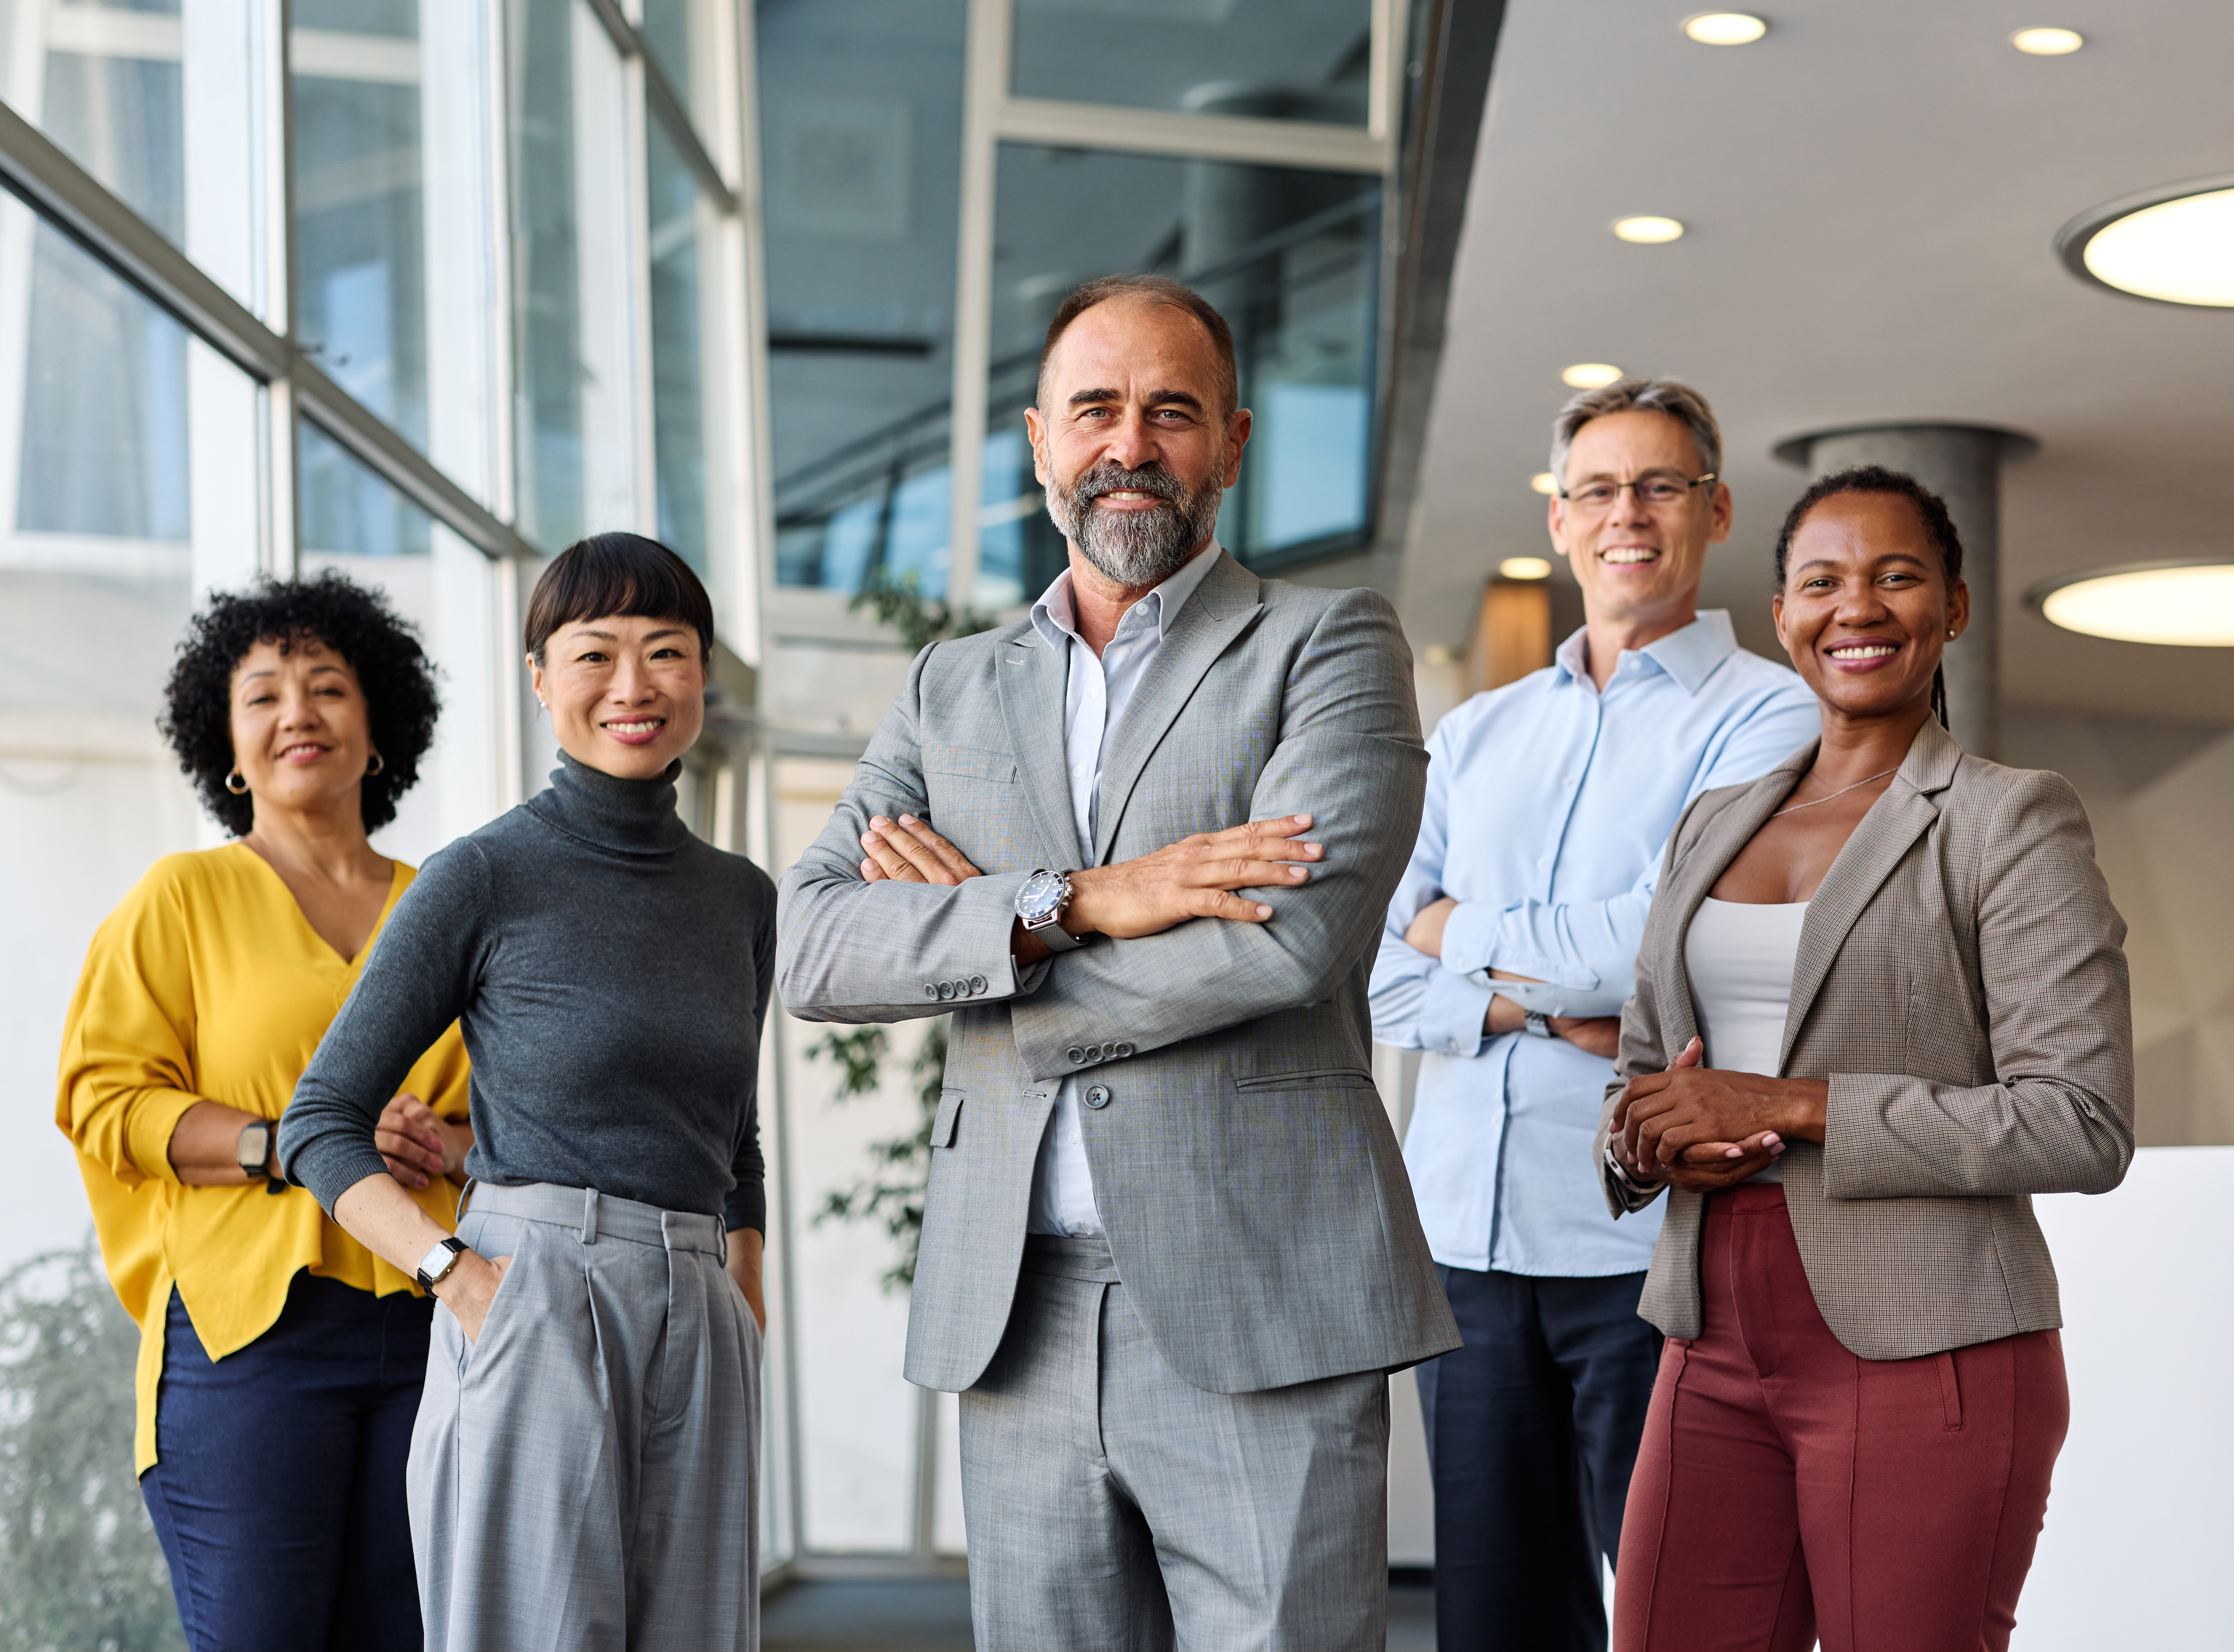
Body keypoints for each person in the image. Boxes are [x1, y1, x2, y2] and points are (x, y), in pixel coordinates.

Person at [778, 273, 1458, 1650]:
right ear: (1039, 441)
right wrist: (1081, 902)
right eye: (1097, 409)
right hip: (1015, 1307)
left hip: (1264, 1295)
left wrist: (989, 973)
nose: (1130, 444)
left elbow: (1291, 944)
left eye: (1172, 412)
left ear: (1236, 443)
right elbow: (813, 946)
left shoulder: (1327, 645)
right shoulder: (947, 687)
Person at [1600, 466, 2133, 1652]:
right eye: (1821, 581)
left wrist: (1790, 1104)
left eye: (1897, 577)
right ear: (1784, 612)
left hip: (1925, 1349)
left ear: (1950, 607)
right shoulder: (1713, 819)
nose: (1858, 608)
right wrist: (1643, 1142)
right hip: (1707, 1341)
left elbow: (2080, 1120)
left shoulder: (2007, 817)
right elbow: (1643, 1068)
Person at [1371, 379, 1818, 1651]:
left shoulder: (1769, 713)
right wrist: (1544, 1009)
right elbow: (1372, 964)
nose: (1629, 513)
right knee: (1497, 1621)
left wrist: (1460, 933)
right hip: (1464, 1238)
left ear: (1716, 510)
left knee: (1688, 1615)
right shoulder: (1472, 733)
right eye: (1601, 489)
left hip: (1645, 1247)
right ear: (1561, 520)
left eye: (1661, 485)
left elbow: (1659, 944)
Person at [279, 534, 775, 1652]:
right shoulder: (486, 874)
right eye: (594, 654)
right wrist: (453, 1275)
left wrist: (744, 1299)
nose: (634, 687)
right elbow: (323, 1122)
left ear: (702, 674)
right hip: (533, 1292)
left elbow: (732, 1135)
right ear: (541, 678)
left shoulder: (742, 898)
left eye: (666, 652)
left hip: (698, 1305)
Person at [56, 572, 471, 1651]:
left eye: (329, 687)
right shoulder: (179, 899)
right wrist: (287, 1145)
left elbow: (506, 1118)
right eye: (264, 695)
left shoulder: (449, 903)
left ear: (377, 727)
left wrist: (448, 1142)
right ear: (227, 748)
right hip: (251, 1339)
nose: (299, 713)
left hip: (435, 1323)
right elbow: (106, 1097)